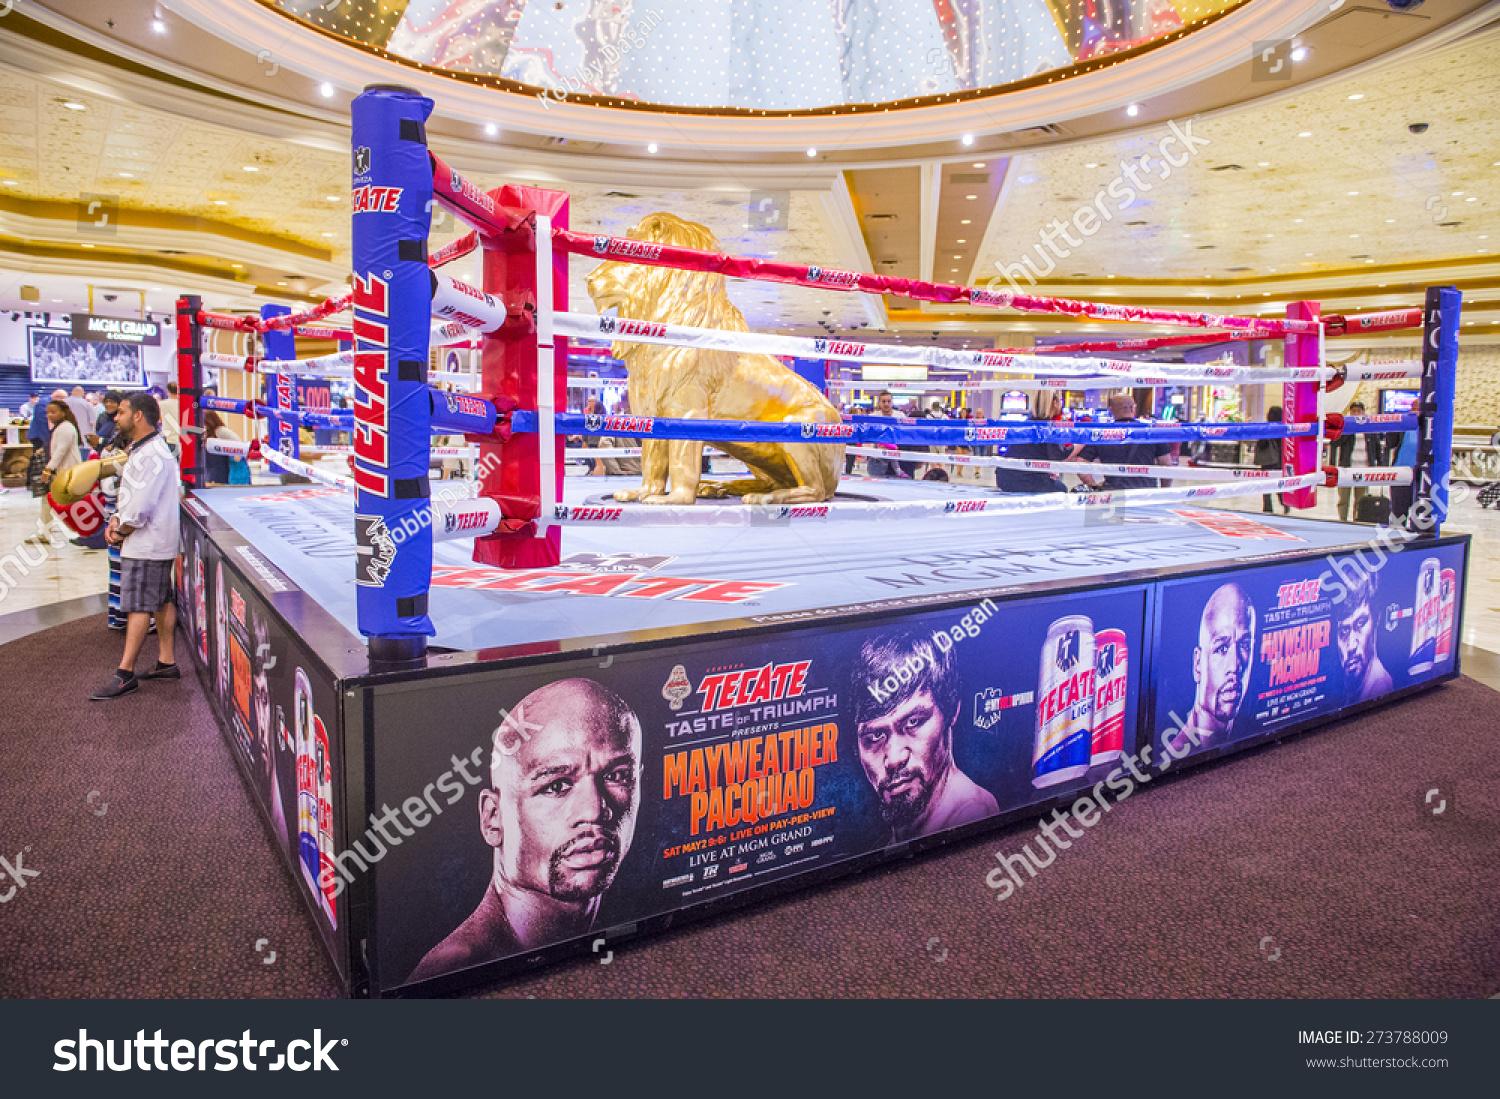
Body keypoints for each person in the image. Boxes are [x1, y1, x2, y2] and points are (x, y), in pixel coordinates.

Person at [408, 679, 642, 983]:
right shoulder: (452, 972)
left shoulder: (615, 933)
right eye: (556, 785)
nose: (594, 811)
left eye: (617, 775)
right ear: (493, 818)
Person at [849, 628, 998, 844]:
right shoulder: (900, 837)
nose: (894, 759)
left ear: (951, 711)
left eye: (913, 722)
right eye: (874, 737)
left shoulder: (972, 812)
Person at [91, 393, 181, 700]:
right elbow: (133, 498)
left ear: (139, 416)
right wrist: (118, 517)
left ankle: (125, 672)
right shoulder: (148, 450)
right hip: (152, 540)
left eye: (122, 412)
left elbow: (140, 508)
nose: (116, 417)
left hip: (146, 542)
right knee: (161, 600)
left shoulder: (152, 454)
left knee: (140, 605)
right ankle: (166, 661)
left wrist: (120, 529)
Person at [1166, 583, 1255, 752]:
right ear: (1198, 663)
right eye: (1221, 648)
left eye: (1244, 645)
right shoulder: (1172, 756)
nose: (1234, 666)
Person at [1073, 394, 1172, 490]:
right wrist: (1163, 492)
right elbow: (1166, 465)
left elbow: (1081, 464)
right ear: (1133, 408)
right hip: (1145, 494)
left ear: (1110, 410)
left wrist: (1093, 487)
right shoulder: (1150, 432)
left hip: (1114, 494)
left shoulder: (1103, 433)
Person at [1334, 571, 1393, 703]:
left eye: (1361, 623)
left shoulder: (1380, 686)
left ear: (1377, 618)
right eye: (1344, 630)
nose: (1351, 646)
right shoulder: (1355, 692)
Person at [33, 399, 82, 540]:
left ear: (63, 412)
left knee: (67, 504)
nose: (50, 415)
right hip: (61, 472)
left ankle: (84, 531)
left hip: (65, 472)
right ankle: (44, 533)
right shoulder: (60, 427)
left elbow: (61, 451)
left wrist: (48, 468)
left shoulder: (65, 428)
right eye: (48, 412)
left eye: (53, 412)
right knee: (47, 502)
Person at [1332, 400, 1380, 523]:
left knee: (1361, 498)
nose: (1356, 413)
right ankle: (1343, 520)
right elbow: (1335, 443)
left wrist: (1379, 465)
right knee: (1343, 498)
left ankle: (1358, 520)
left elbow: (1376, 447)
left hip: (1364, 468)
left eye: (1359, 411)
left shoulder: (1370, 428)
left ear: (1363, 412)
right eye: (1354, 411)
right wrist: (1349, 429)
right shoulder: (1345, 427)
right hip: (1347, 468)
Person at [1255, 405, 1289, 514]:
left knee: (1266, 485)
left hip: (1267, 461)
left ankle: (1268, 507)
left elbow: (1261, 443)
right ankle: (1284, 502)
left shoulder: (1266, 428)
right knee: (1279, 483)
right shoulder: (1284, 428)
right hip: (1280, 461)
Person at [863, 390, 901, 478]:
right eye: (883, 401)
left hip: (896, 459)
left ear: (892, 402)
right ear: (879, 403)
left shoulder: (900, 416)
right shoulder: (872, 418)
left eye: (888, 401)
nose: (886, 404)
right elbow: (866, 437)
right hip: (877, 460)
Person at [201, 410, 242, 486]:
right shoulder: (205, 432)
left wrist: (237, 454)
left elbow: (237, 441)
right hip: (210, 465)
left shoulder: (221, 431)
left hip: (220, 465)